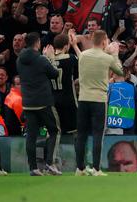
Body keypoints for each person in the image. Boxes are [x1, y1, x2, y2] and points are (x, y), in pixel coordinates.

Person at [76, 30, 124, 177]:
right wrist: (114, 53)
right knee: (98, 135)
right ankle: (96, 169)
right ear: (104, 42)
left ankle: (80, 168)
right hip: (98, 100)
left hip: (83, 99)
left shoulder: (83, 55)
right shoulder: (107, 58)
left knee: (81, 135)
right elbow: (120, 71)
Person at [17, 32, 61, 176]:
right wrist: (50, 58)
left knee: (31, 135)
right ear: (37, 43)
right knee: (54, 130)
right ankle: (50, 163)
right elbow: (54, 74)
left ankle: (33, 168)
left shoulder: (19, 59)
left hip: (28, 103)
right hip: (43, 102)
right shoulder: (41, 59)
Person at [51, 32, 80, 135]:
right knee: (73, 132)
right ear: (66, 46)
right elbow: (84, 62)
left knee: (56, 133)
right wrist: (75, 45)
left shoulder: (47, 59)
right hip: (69, 101)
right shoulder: (70, 58)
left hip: (53, 101)